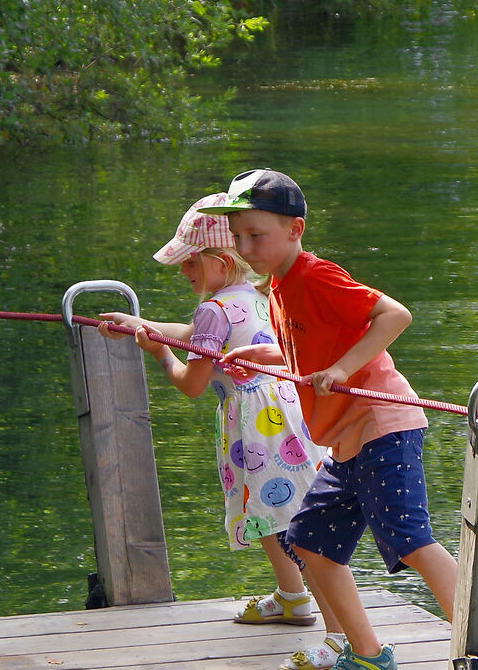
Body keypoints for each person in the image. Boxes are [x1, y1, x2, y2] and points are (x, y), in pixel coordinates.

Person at [209, 168, 460, 670]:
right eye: (238, 237)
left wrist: (345, 370)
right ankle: (369, 658)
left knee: (413, 542)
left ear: (295, 229)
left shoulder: (316, 276)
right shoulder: (277, 286)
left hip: (383, 426)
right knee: (311, 542)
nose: (246, 246)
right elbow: (308, 349)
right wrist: (262, 354)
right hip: (346, 442)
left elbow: (395, 315)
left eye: (257, 234)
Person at [99, 199, 325, 635]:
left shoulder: (212, 309)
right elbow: (200, 337)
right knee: (279, 507)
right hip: (291, 413)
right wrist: (139, 322)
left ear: (220, 263)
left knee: (269, 511)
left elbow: (192, 384)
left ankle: (303, 599)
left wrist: (160, 353)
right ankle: (292, 594)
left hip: (254, 422)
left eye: (189, 263)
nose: (183, 273)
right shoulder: (260, 295)